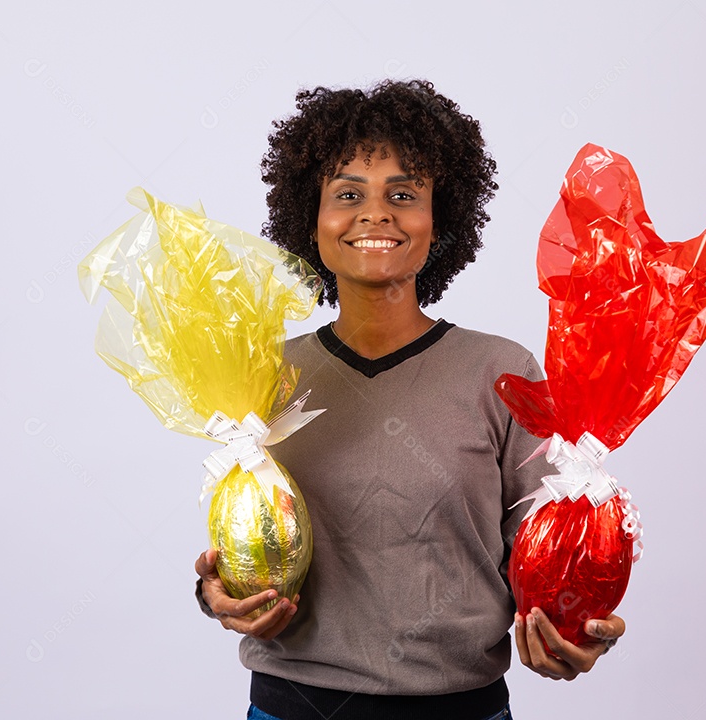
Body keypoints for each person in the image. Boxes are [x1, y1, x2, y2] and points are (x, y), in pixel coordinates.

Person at [193, 79, 626, 720]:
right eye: (348, 194)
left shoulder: (501, 372)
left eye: (403, 194)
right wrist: (213, 594)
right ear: (311, 220)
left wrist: (575, 622)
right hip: (291, 707)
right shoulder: (266, 376)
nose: (376, 213)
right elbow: (243, 536)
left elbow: (546, 551)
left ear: (438, 220)